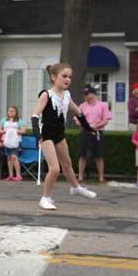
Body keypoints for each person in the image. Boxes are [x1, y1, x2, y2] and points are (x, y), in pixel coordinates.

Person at [31, 63, 98, 210]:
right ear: (54, 77)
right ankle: (45, 198)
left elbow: (78, 112)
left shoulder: (67, 95)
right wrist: (38, 136)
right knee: (55, 169)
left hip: (59, 135)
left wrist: (89, 128)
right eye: (64, 76)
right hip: (46, 135)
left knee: (67, 164)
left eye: (69, 77)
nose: (67, 79)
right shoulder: (46, 95)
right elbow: (35, 116)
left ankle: (75, 188)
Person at [76, 85, 111, 184]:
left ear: (93, 94)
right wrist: (87, 125)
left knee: (99, 155)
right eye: (84, 95)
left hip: (97, 132)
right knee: (82, 155)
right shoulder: (82, 106)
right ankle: (80, 177)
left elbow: (106, 120)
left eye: (87, 94)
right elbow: (77, 120)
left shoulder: (103, 105)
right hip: (85, 132)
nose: (86, 97)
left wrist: (96, 126)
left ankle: (101, 177)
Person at [0, 106, 25, 181]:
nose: (11, 112)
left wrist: (14, 131)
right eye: (9, 111)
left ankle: (18, 175)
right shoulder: (3, 120)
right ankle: (10, 175)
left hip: (15, 141)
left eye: (13, 111)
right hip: (6, 141)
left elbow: (23, 131)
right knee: (9, 158)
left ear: (16, 112)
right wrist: (5, 131)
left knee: (14, 157)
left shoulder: (19, 121)